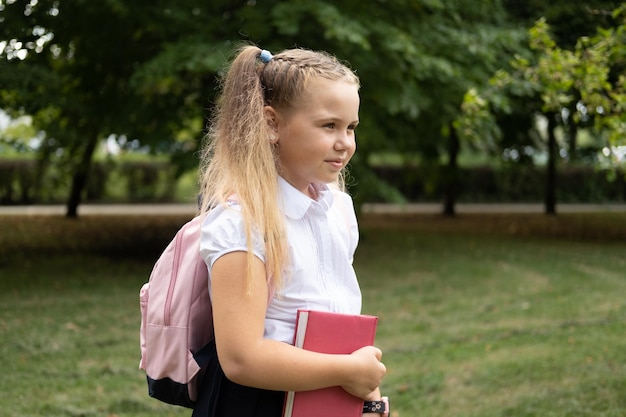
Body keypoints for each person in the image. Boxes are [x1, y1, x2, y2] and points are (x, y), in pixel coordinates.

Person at [194, 45, 387, 417]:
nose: (345, 142)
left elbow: (339, 318)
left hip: (328, 399)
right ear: (271, 124)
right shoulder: (242, 223)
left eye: (350, 127)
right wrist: (348, 371)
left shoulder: (339, 210)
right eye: (329, 125)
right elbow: (242, 358)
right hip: (256, 404)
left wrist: (370, 399)